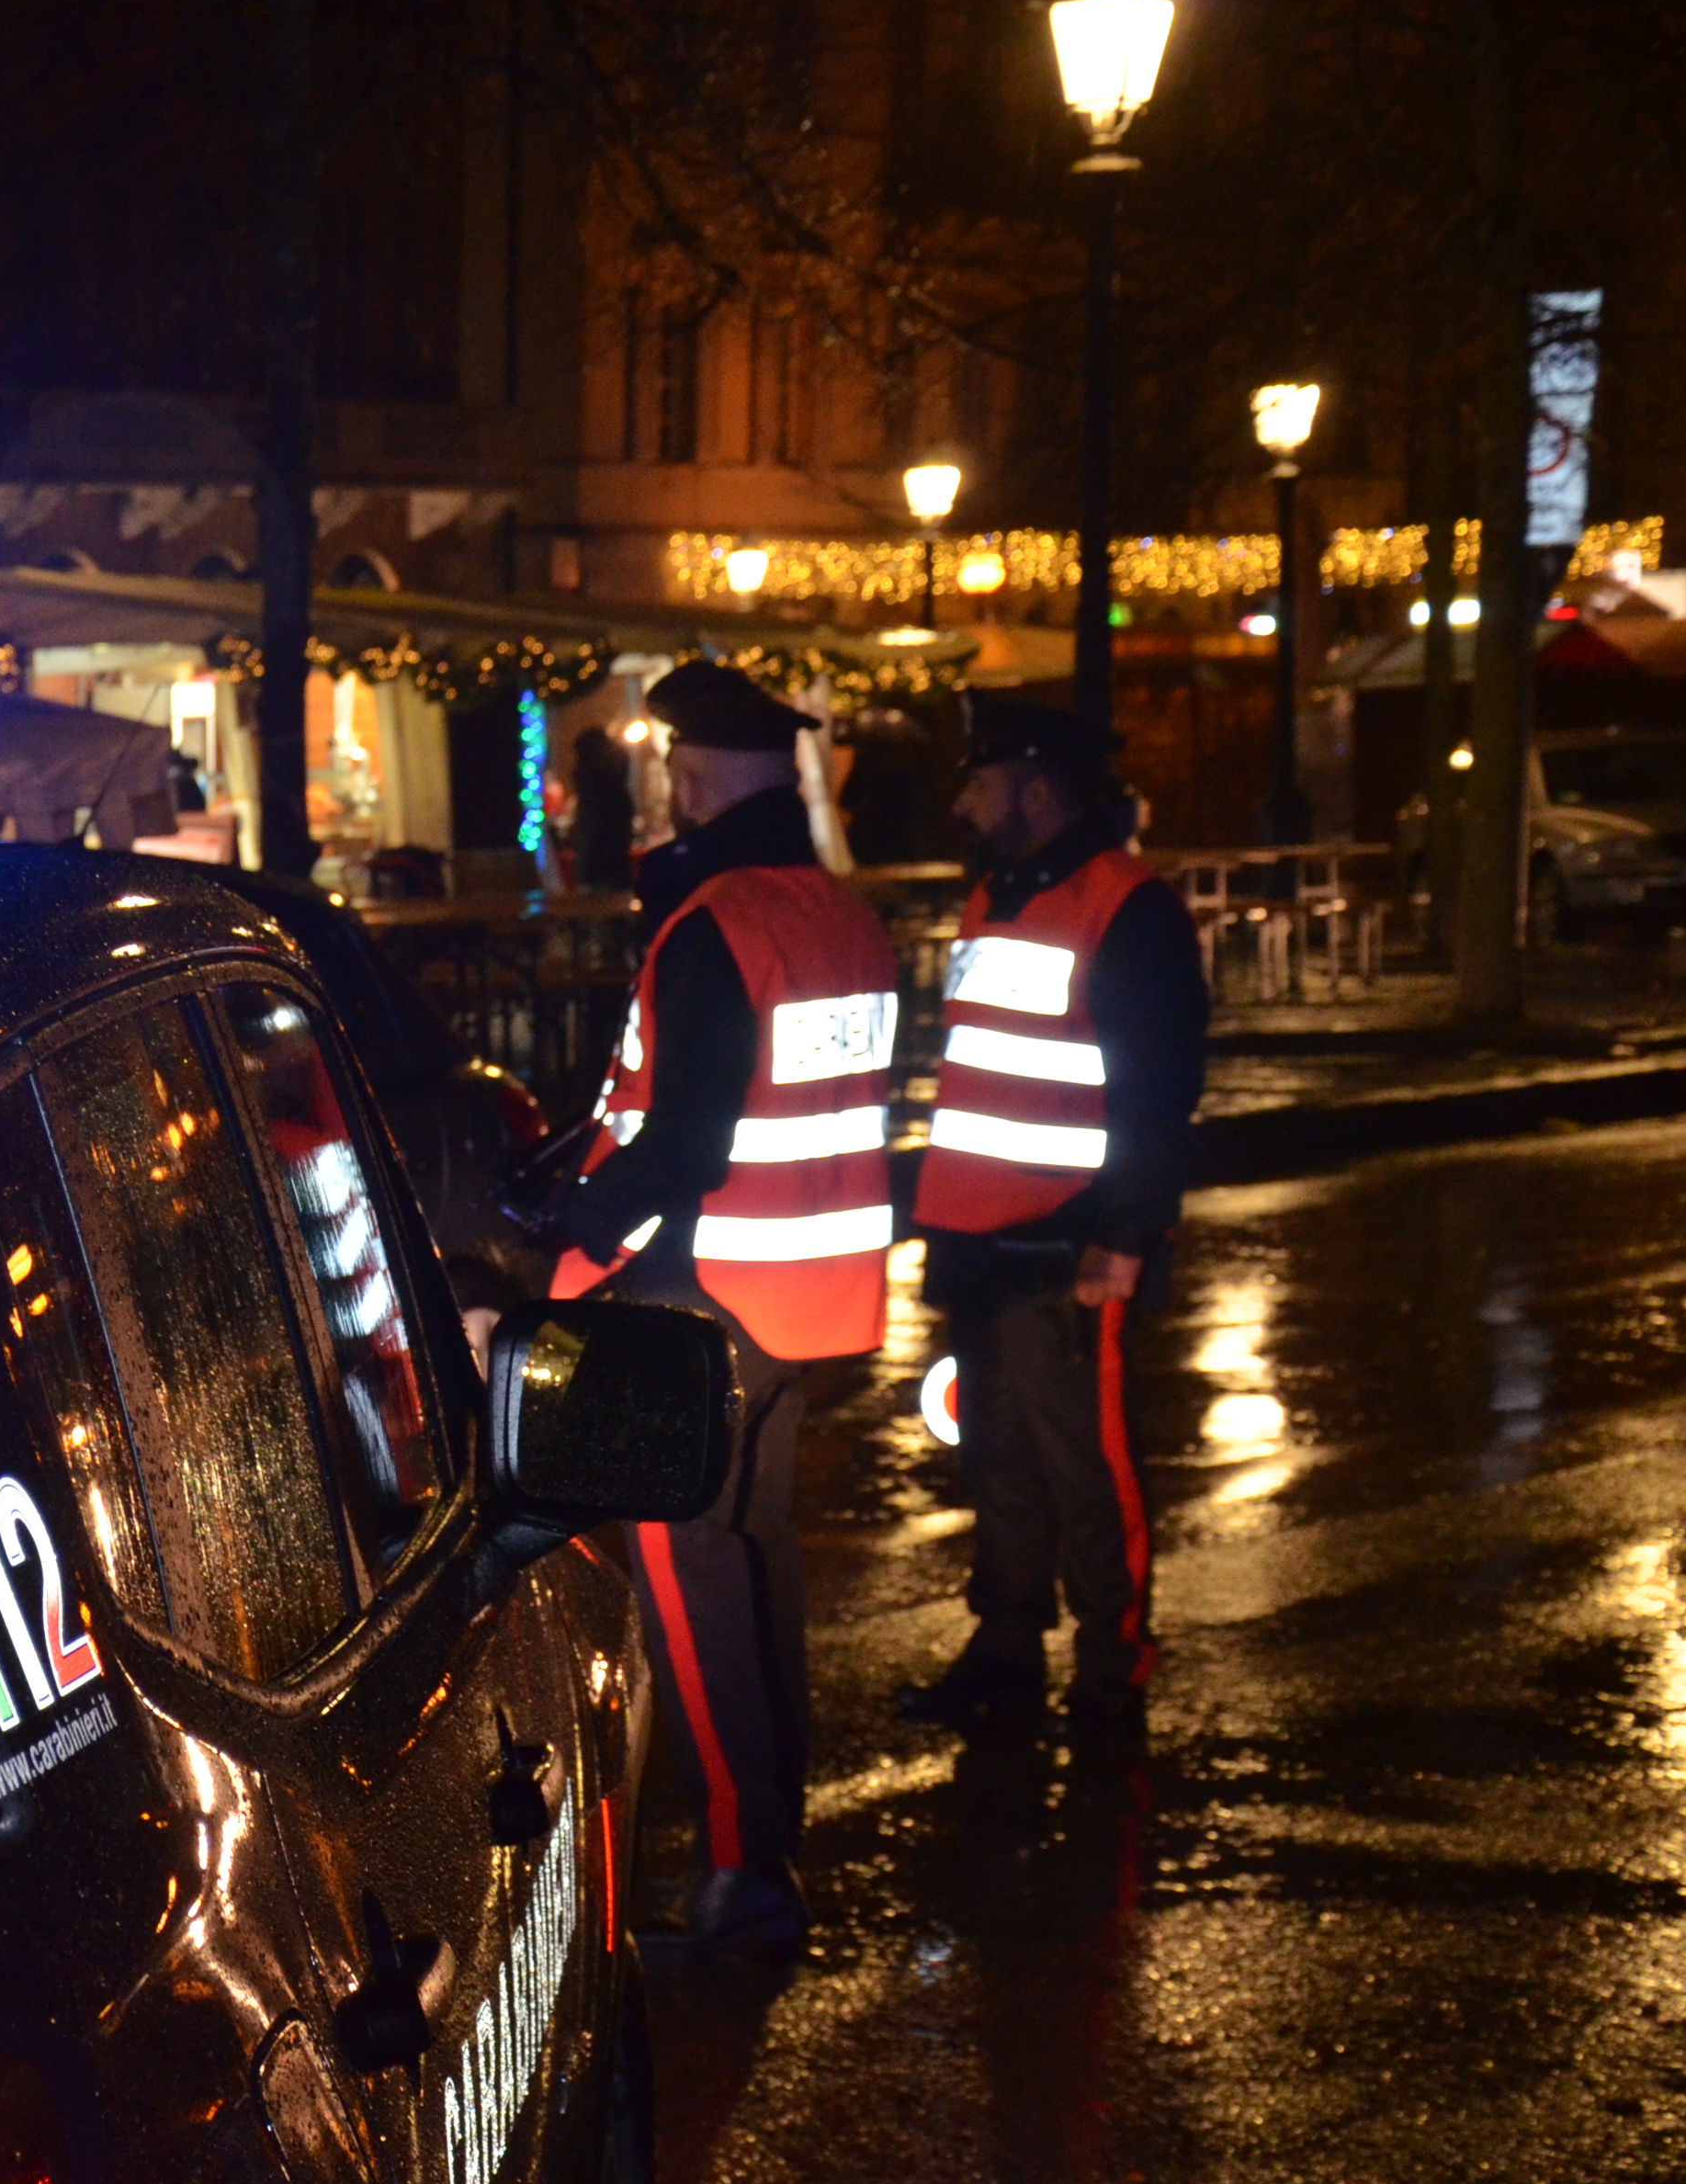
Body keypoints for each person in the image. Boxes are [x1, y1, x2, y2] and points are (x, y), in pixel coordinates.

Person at [504, 660, 900, 1961]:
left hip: (707, 1296)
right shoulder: (842, 913)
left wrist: (577, 1224)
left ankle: (741, 1869)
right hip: (812, 1294)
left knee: (689, 1581)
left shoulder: (716, 921)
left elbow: (688, 1140)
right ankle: (769, 1838)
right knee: (756, 1562)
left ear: (698, 778)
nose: (666, 788)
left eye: (675, 768)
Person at [895, 695, 1209, 1750]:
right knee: (997, 1459)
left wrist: (1123, 1236)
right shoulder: (996, 897)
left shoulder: (1125, 907)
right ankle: (1006, 1651)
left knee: (1086, 1467)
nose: (960, 804)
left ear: (1034, 792)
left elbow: (1158, 1092)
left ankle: (1110, 1670)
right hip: (980, 1238)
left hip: (1066, 1245)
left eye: (977, 784)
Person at [567, 718, 639, 892]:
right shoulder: (619, 791)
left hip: (596, 869)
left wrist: (582, 868)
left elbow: (589, 830)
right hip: (617, 868)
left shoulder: (593, 791)